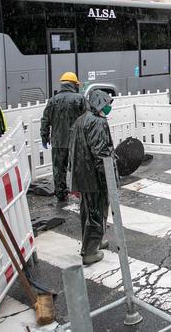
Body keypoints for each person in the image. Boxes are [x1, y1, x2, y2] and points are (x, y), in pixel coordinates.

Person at [68, 90, 115, 265]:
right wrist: (108, 177)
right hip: (93, 176)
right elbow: (101, 152)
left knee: (87, 211)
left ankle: (94, 241)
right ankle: (89, 252)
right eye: (107, 103)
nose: (109, 107)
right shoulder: (97, 122)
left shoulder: (81, 120)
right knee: (97, 211)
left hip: (82, 175)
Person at [40, 72, 88, 202]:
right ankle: (80, 192)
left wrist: (44, 136)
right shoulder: (80, 99)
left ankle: (61, 194)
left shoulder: (52, 100)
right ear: (73, 84)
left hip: (58, 141)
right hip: (76, 141)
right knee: (78, 167)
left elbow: (45, 120)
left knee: (59, 169)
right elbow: (88, 119)